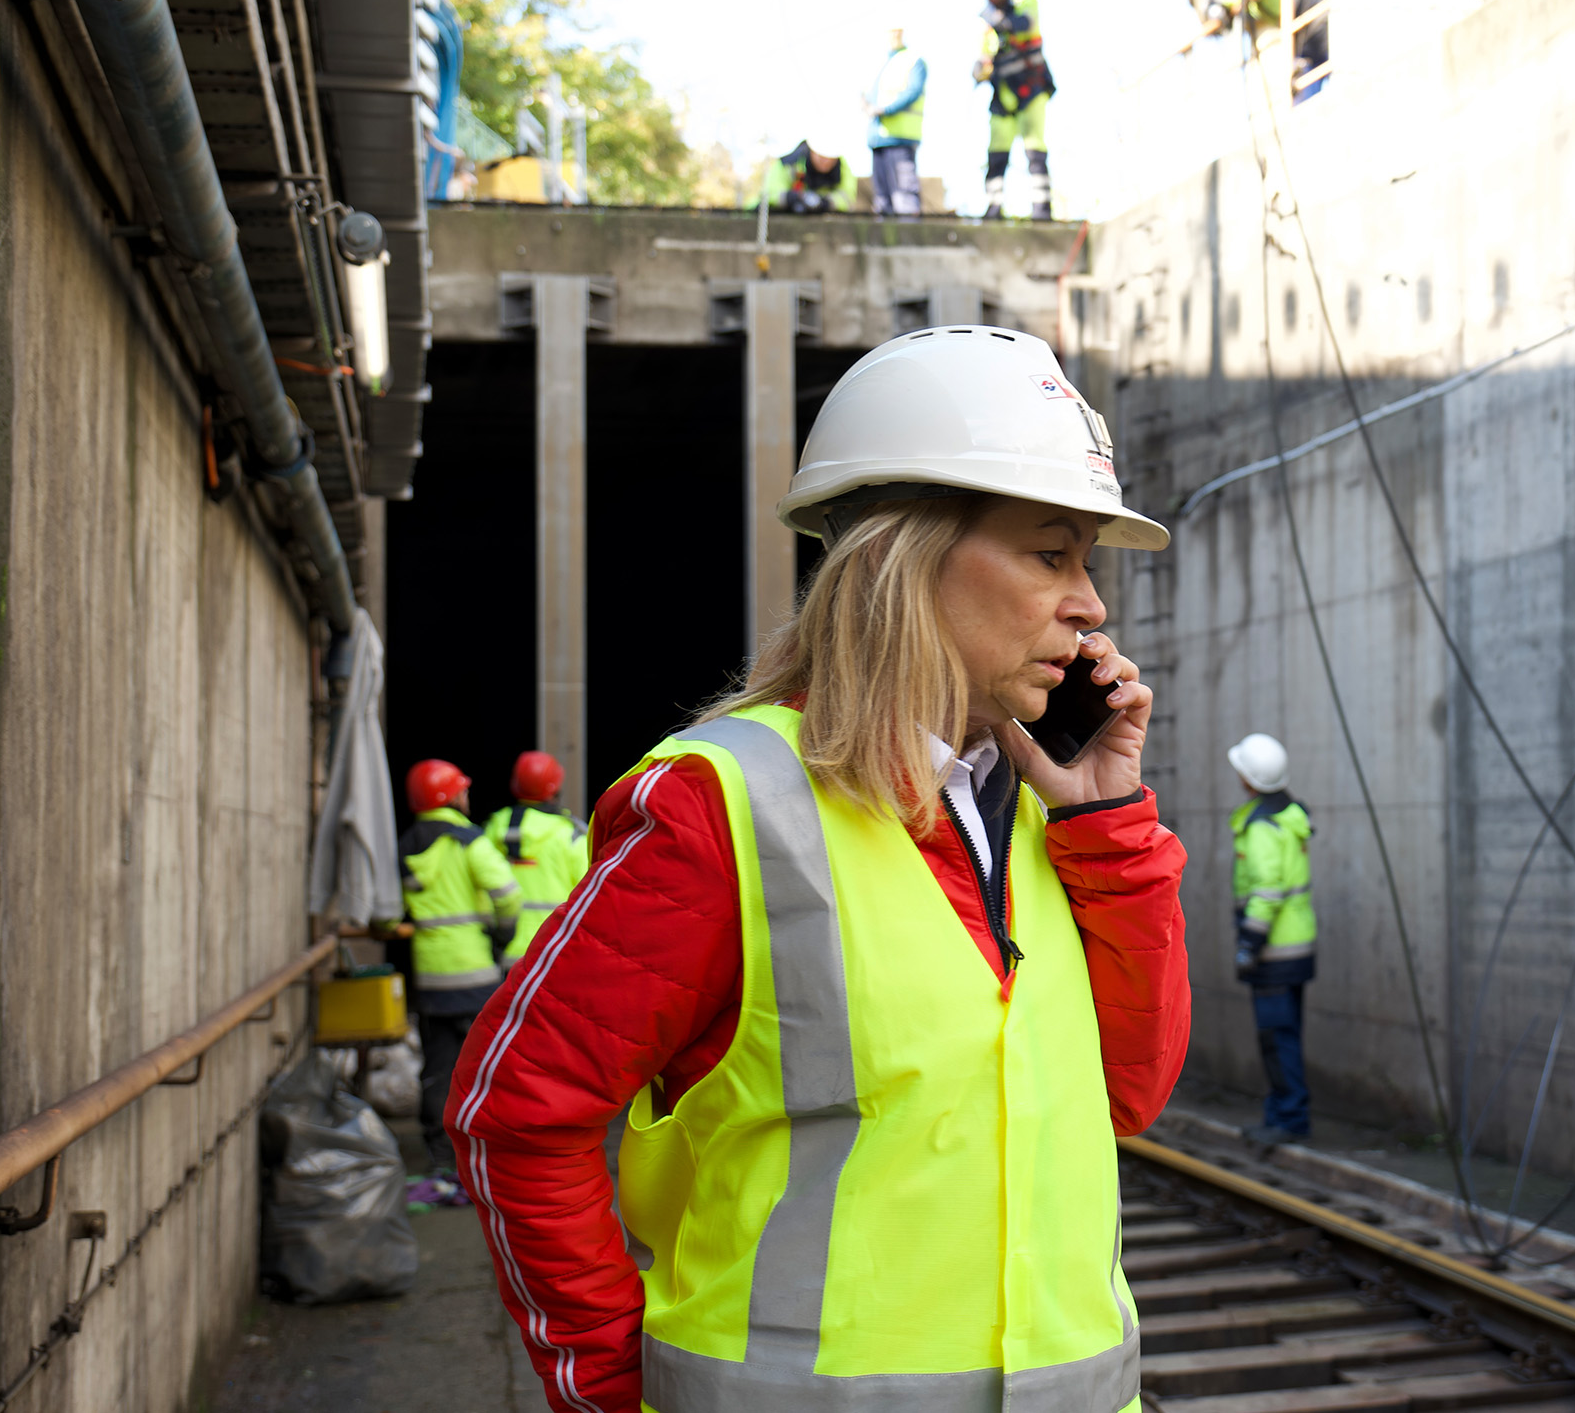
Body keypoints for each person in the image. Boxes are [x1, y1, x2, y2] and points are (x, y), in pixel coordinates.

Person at [450, 326, 1190, 1413]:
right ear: (905, 556)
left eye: (1086, 559)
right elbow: (516, 1112)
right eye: (1050, 552)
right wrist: (610, 1389)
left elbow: (1128, 1094)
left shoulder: (1041, 805)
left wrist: (1110, 824)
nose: (1092, 605)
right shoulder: (721, 806)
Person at [399, 758, 521, 1203]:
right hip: (475, 974)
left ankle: (439, 1157)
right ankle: (490, 1150)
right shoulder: (469, 840)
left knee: (437, 1067)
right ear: (449, 796)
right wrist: (502, 932)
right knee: (489, 1066)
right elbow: (507, 892)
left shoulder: (407, 844)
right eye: (461, 790)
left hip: (431, 976)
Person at [1228, 732, 1315, 1144]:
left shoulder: (1261, 826)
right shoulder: (1290, 815)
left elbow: (1267, 889)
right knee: (1287, 1033)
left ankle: (1288, 1118)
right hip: (1298, 944)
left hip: (1275, 951)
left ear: (1249, 779)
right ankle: (1288, 1112)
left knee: (1276, 1036)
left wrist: (1250, 943)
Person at [486, 750, 589, 971]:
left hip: (502, 951)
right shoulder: (570, 833)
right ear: (556, 785)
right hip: (552, 950)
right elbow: (590, 894)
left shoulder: (496, 826)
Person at [974, 0, 1055, 219]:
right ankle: (994, 208)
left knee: (1034, 151)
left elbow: (1024, 25)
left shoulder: (1024, 2)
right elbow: (982, 58)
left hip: (1031, 90)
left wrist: (997, 20)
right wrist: (979, 70)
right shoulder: (988, 27)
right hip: (1003, 96)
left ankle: (1042, 211)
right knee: (997, 154)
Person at [863, 26, 927, 218]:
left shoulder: (913, 61)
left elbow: (912, 92)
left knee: (904, 199)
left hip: (900, 138)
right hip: (878, 139)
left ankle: (908, 245)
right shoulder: (882, 63)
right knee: (882, 202)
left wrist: (885, 110)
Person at [741, 140, 858, 213]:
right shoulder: (787, 163)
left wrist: (824, 202)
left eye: (830, 158)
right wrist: (791, 198)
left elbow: (847, 197)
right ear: (812, 151)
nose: (826, 161)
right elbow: (768, 194)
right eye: (821, 156)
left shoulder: (843, 168)